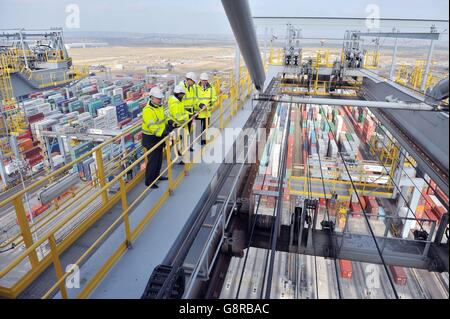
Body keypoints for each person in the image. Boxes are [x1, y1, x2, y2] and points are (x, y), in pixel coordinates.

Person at [141, 87, 174, 189]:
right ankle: (149, 182)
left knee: (159, 159)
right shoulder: (147, 110)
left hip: (159, 137)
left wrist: (170, 121)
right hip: (151, 139)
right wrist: (163, 132)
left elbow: (163, 118)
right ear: (151, 98)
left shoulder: (159, 107)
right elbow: (152, 127)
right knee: (153, 161)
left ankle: (157, 176)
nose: (160, 100)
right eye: (158, 98)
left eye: (160, 98)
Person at [168, 85, 188, 164]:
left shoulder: (178, 101)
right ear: (179, 94)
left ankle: (178, 158)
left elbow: (184, 111)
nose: (183, 96)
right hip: (176, 126)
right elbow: (179, 118)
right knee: (175, 144)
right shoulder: (175, 104)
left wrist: (189, 114)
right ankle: (175, 159)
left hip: (179, 126)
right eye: (182, 94)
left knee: (178, 143)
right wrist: (188, 116)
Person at [196, 72, 217, 145]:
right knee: (198, 128)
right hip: (199, 112)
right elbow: (195, 99)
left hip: (207, 112)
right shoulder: (196, 88)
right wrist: (200, 105)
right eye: (203, 80)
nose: (204, 81)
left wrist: (211, 102)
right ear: (200, 80)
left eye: (205, 80)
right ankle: (199, 140)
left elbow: (215, 97)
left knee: (206, 127)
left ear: (207, 80)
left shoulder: (211, 88)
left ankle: (204, 140)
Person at [179, 72, 198, 151]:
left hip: (190, 114)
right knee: (183, 133)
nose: (194, 83)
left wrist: (195, 110)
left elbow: (194, 100)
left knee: (188, 131)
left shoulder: (192, 87)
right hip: (183, 115)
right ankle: (181, 149)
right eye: (193, 82)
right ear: (189, 80)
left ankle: (187, 146)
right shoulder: (181, 87)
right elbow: (179, 103)